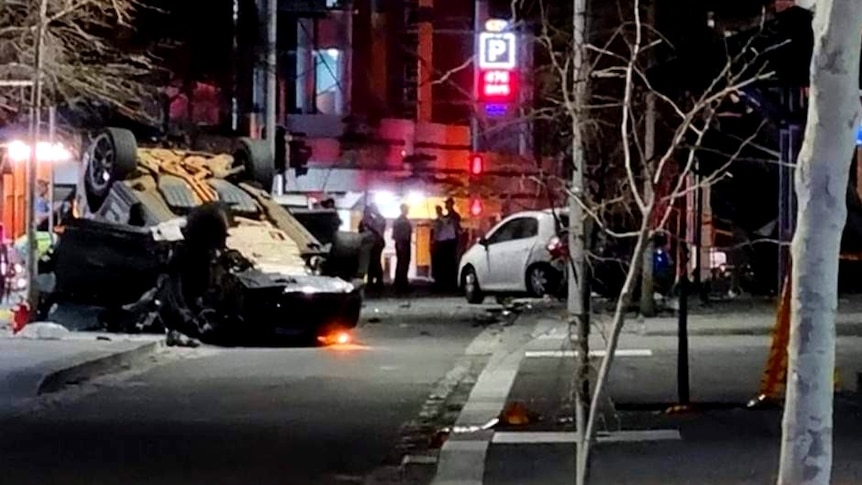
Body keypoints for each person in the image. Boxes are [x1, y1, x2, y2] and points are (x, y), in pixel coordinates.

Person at [359, 203, 386, 289]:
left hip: (376, 242)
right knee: (372, 262)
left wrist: (368, 226)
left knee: (375, 261)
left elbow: (378, 231)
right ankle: (372, 280)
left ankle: (378, 280)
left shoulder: (377, 219)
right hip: (370, 243)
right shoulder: (367, 220)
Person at [392, 203, 412, 293]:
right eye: (407, 209)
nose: (408, 210)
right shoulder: (402, 221)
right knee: (403, 264)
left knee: (402, 263)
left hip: (402, 243)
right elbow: (397, 234)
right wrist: (400, 243)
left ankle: (400, 283)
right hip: (403, 243)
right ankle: (402, 284)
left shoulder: (399, 220)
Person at [431, 205, 446, 291]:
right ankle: (439, 279)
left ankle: (439, 280)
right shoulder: (441, 220)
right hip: (440, 243)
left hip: (439, 243)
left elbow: (437, 233)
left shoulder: (439, 221)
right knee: (438, 263)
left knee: (438, 262)